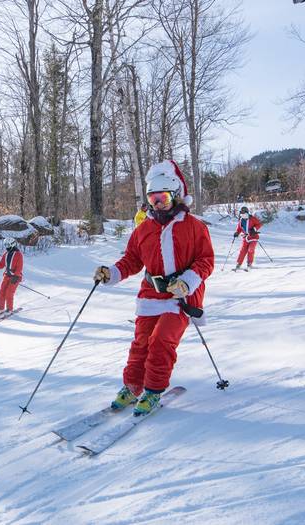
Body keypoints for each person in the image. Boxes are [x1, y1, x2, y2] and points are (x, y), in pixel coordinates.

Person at [94, 160, 214, 416]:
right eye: (152, 199)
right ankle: (132, 386)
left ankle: (153, 390)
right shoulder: (143, 229)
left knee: (161, 342)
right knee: (141, 343)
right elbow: (132, 260)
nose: (157, 204)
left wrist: (187, 282)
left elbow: (206, 260)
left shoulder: (194, 226)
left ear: (175, 196)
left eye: (162, 198)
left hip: (181, 297)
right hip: (150, 296)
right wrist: (110, 273)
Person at [0, 237, 23, 314]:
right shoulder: (6, 254)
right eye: (5, 245)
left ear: (13, 244)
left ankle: (9, 309)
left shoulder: (18, 255)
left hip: (15, 277)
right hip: (6, 276)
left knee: (9, 293)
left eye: (8, 245)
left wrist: (16, 276)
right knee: (1, 292)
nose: (7, 247)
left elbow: (19, 267)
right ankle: (0, 308)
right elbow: (1, 265)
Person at [232, 206, 262, 271]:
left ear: (247, 212)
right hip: (245, 237)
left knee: (250, 249)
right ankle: (238, 264)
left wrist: (254, 229)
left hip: (253, 237)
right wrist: (237, 233)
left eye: (243, 213)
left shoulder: (252, 218)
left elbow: (259, 224)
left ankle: (249, 264)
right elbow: (239, 228)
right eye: (241, 213)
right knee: (243, 251)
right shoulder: (241, 220)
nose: (242, 214)